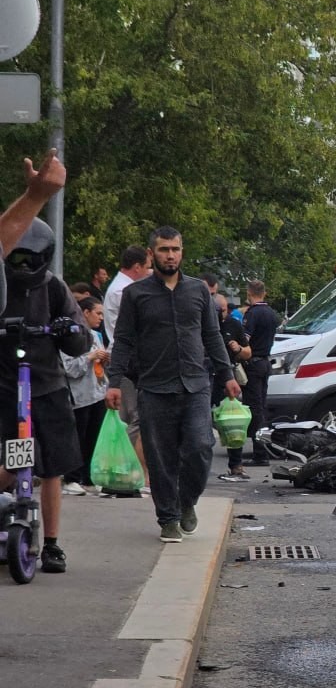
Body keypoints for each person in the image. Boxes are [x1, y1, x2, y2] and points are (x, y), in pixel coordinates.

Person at [106, 226, 239, 542]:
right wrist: (114, 382)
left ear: (182, 252)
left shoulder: (198, 291)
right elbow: (123, 340)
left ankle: (186, 501)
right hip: (154, 387)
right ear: (152, 254)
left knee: (200, 446)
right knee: (160, 457)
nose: (170, 255)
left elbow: (212, 336)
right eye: (164, 249)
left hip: (195, 385)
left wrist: (228, 375)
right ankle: (168, 518)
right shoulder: (136, 294)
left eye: (175, 249)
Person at [0, 218, 91, 572]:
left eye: (31, 260)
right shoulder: (0, 283)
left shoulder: (53, 287)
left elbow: (80, 338)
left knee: (53, 468)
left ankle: (52, 544)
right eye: (18, 259)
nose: (24, 267)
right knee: (10, 462)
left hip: (47, 385)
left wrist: (69, 331)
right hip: (6, 385)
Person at [103, 244, 152, 491]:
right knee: (137, 417)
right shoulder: (124, 291)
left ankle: (129, 471)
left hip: (123, 359)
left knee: (131, 417)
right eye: (147, 267)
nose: (149, 272)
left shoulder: (119, 286)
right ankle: (131, 470)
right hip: (127, 360)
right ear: (137, 267)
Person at [61, 296, 110, 495]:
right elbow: (70, 368)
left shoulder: (96, 335)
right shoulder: (70, 335)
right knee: (78, 437)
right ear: (86, 313)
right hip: (79, 395)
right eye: (98, 313)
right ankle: (71, 477)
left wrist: (103, 359)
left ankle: (89, 477)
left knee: (94, 437)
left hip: (97, 392)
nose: (100, 318)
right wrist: (90, 357)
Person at [213, 292, 252, 481]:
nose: (221, 314)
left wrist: (239, 349)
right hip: (204, 377)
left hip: (226, 378)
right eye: (218, 311)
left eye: (223, 310)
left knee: (233, 421)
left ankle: (236, 465)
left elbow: (248, 352)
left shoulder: (233, 324)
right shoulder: (202, 324)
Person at [241, 280, 278, 465]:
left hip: (253, 364)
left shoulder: (252, 313)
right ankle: (264, 448)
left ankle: (260, 453)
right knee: (262, 406)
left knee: (254, 408)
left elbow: (245, 339)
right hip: (265, 363)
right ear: (264, 293)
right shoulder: (271, 313)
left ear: (249, 293)